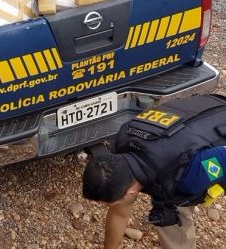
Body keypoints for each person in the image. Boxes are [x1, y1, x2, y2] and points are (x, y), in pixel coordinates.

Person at [82, 94, 226, 249]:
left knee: (179, 192)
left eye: (111, 203)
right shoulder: (123, 147)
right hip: (201, 120)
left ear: (131, 193)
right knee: (168, 209)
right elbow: (119, 212)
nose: (110, 205)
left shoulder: (189, 176)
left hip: (215, 126)